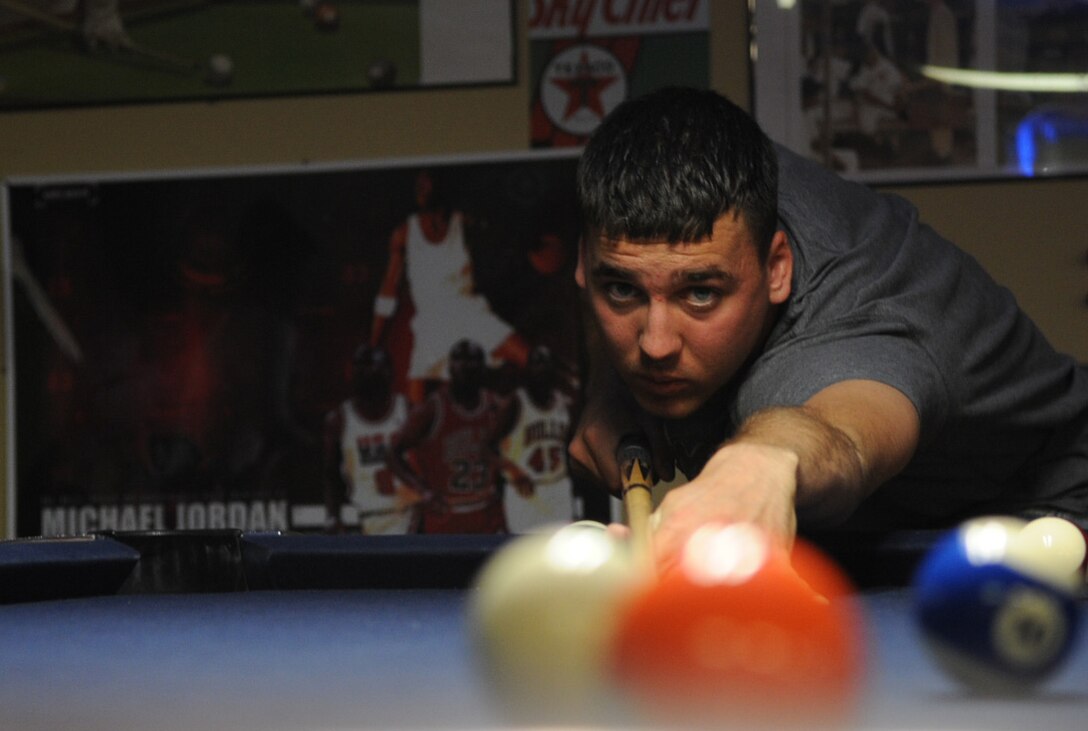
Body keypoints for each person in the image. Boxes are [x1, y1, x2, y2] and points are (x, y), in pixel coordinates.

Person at [569, 87, 1088, 570]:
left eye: (701, 293)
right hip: (877, 527)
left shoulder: (857, 333)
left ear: (777, 268)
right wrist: (607, 387)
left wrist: (756, 465)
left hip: (1046, 520)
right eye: (622, 291)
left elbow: (838, 436)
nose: (655, 344)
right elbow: (639, 267)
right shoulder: (702, 172)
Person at [369, 170, 530, 402]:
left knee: (531, 359)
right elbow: (387, 292)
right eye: (418, 186)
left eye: (426, 184)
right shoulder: (404, 233)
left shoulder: (464, 224)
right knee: (417, 409)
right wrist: (375, 343)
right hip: (431, 325)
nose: (420, 190)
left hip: (470, 314)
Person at [386, 338, 533, 534]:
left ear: (483, 368)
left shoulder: (494, 405)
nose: (467, 368)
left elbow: (498, 451)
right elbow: (392, 453)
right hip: (445, 511)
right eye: (461, 363)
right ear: (450, 369)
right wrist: (423, 491)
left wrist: (513, 471)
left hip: (486, 511)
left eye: (473, 363)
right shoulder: (433, 408)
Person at [323, 344, 420, 534]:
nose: (369, 373)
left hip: (408, 515)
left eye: (375, 367)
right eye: (362, 368)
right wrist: (332, 516)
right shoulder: (339, 419)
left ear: (390, 372)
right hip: (363, 517)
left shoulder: (408, 411)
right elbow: (330, 475)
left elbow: (428, 467)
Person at [499, 345, 577, 532]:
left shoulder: (565, 402)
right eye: (536, 363)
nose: (542, 368)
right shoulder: (516, 402)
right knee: (522, 555)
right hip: (525, 491)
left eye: (546, 363)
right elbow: (486, 448)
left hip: (558, 488)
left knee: (559, 554)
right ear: (527, 369)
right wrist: (514, 472)